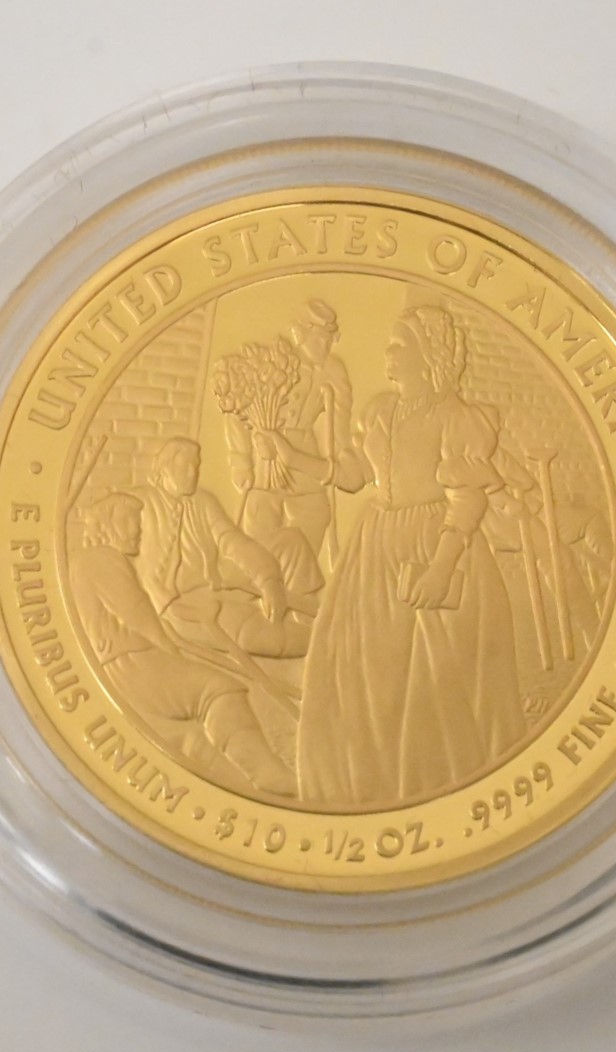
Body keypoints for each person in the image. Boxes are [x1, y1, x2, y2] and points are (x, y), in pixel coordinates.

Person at [286, 305, 525, 806]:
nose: (389, 354)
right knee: (361, 671)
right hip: (375, 551)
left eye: (400, 346)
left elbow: (467, 500)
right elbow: (352, 476)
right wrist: (293, 458)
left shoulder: (459, 419)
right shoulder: (379, 412)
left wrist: (440, 568)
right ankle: (360, 788)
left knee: (432, 679)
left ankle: (432, 790)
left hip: (438, 545)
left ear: (429, 355)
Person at [69, 492, 297, 797]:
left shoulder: (91, 562)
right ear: (109, 524)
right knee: (218, 689)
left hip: (128, 663)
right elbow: (136, 612)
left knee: (192, 740)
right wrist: (169, 648)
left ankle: (241, 790)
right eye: (131, 520)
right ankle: (267, 775)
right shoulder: (101, 559)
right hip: (134, 664)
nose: (138, 528)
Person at [133, 437, 321, 660]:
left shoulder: (203, 501)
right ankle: (322, 642)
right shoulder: (142, 503)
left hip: (222, 580)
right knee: (265, 637)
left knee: (290, 541)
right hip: (187, 606)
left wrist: (268, 579)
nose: (193, 473)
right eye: (186, 466)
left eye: (196, 466)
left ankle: (312, 615)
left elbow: (233, 542)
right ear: (165, 467)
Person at [227, 299, 353, 564]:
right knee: (259, 533)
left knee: (315, 517)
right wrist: (241, 462)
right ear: (301, 334)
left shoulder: (333, 371)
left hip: (305, 461)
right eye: (320, 339)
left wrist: (341, 464)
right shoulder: (274, 362)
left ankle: (302, 582)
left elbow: (340, 424)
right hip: (265, 463)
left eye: (330, 339)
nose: (326, 346)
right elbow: (236, 407)